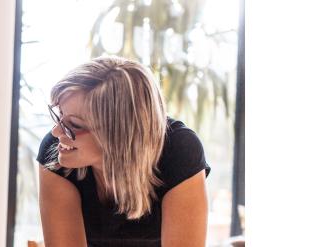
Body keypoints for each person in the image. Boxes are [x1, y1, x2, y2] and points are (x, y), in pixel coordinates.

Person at [36, 56, 210, 247]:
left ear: (118, 133)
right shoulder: (55, 152)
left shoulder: (179, 150)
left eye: (74, 125)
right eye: (59, 115)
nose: (56, 132)